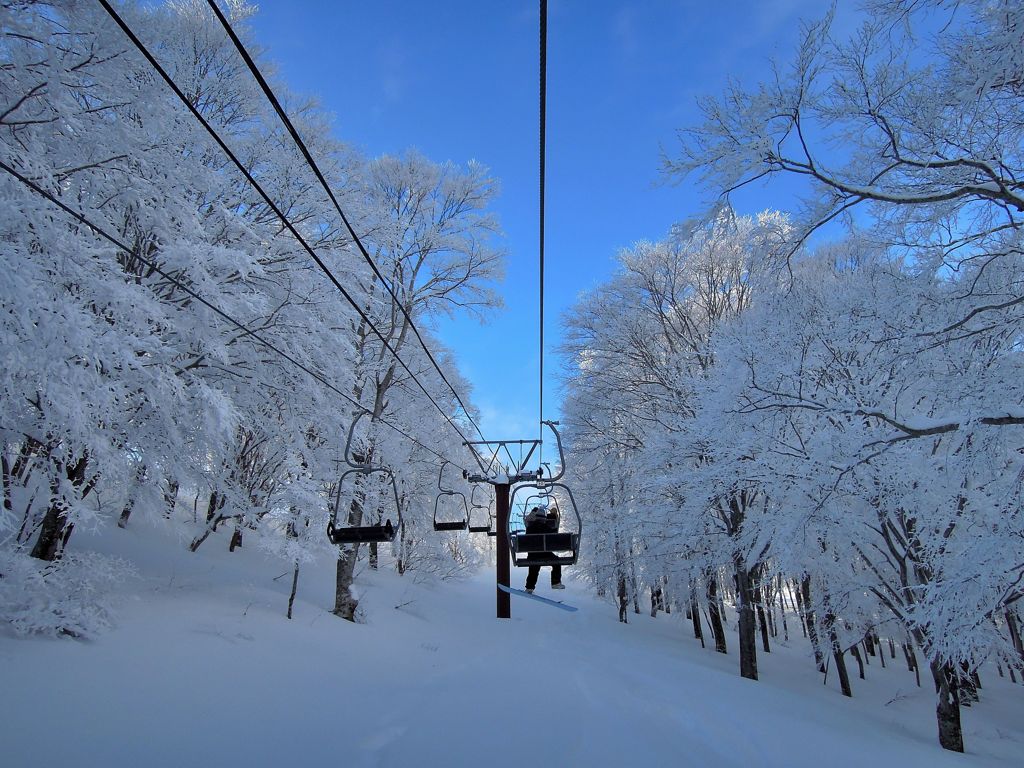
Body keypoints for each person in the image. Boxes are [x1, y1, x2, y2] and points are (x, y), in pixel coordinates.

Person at [523, 506, 565, 593]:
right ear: (544, 519)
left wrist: (533, 511)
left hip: (533, 555)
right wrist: (553, 516)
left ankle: (529, 587)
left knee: (533, 568)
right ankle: (556, 582)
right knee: (557, 562)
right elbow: (554, 531)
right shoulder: (547, 528)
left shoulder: (529, 528)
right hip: (546, 554)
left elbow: (527, 520)